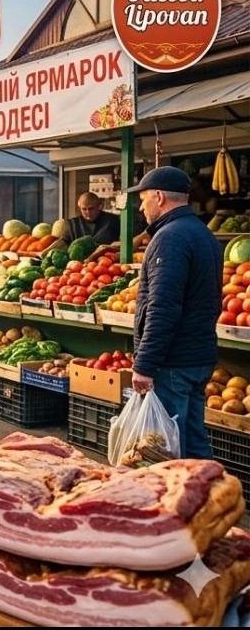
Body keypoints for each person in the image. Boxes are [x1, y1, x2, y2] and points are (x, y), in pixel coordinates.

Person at [127, 165, 221, 459]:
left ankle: (174, 502)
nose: (141, 207)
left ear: (159, 197)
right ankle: (205, 500)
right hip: (198, 357)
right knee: (193, 442)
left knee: (163, 450)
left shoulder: (169, 238)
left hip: (173, 362)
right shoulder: (204, 235)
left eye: (143, 200)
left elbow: (163, 306)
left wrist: (145, 363)